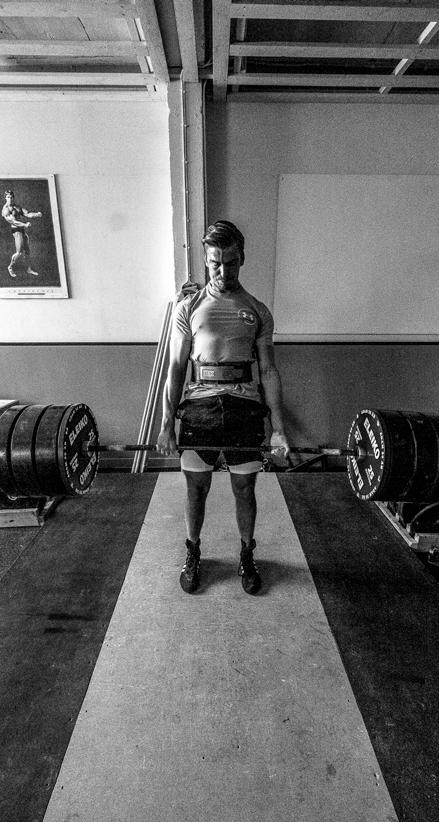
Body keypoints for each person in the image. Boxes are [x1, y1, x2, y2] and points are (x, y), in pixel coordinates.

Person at [156, 220, 290, 595]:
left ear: (241, 259)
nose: (222, 271)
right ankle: (193, 553)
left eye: (230, 263)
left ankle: (247, 555)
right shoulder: (188, 307)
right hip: (199, 409)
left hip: (244, 409)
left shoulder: (257, 311)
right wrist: (166, 425)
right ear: (206, 260)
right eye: (215, 263)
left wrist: (279, 430)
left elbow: (268, 371)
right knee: (195, 490)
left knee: (244, 490)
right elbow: (175, 369)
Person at [1, 190, 42, 278]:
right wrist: (25, 225)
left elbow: (27, 214)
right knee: (19, 252)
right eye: (8, 197)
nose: (10, 199)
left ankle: (29, 269)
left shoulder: (17, 207)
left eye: (11, 197)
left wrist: (37, 214)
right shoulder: (5, 210)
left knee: (27, 251)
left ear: (13, 198)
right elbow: (14, 222)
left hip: (22, 229)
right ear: (5, 198)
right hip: (16, 230)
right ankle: (10, 267)